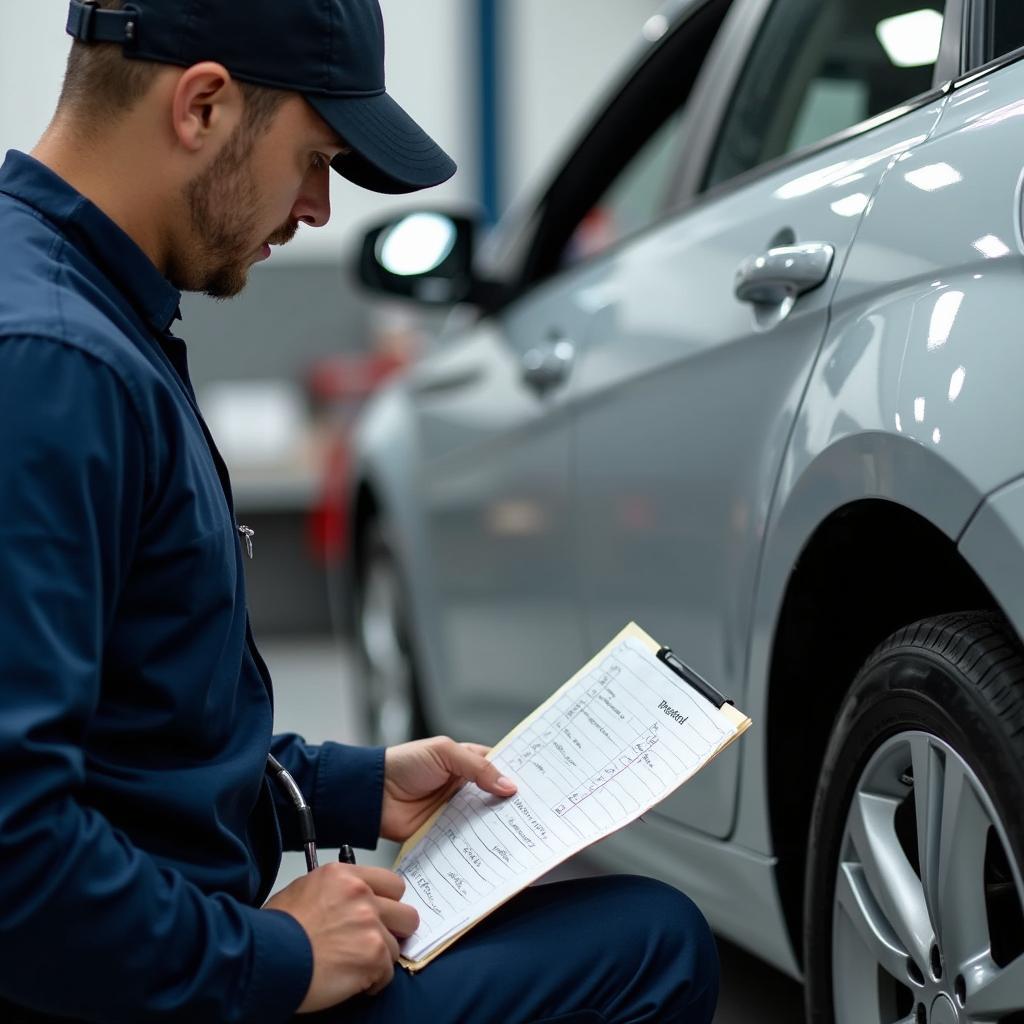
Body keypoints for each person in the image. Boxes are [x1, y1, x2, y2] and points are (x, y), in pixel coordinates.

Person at [0, 1, 720, 1020]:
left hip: (148, 951)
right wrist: (273, 958)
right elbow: (14, 852)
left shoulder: (73, 310)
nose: (318, 211)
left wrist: (352, 785)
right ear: (201, 105)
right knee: (652, 945)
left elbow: (127, 739)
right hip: (139, 984)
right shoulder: (55, 365)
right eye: (314, 159)